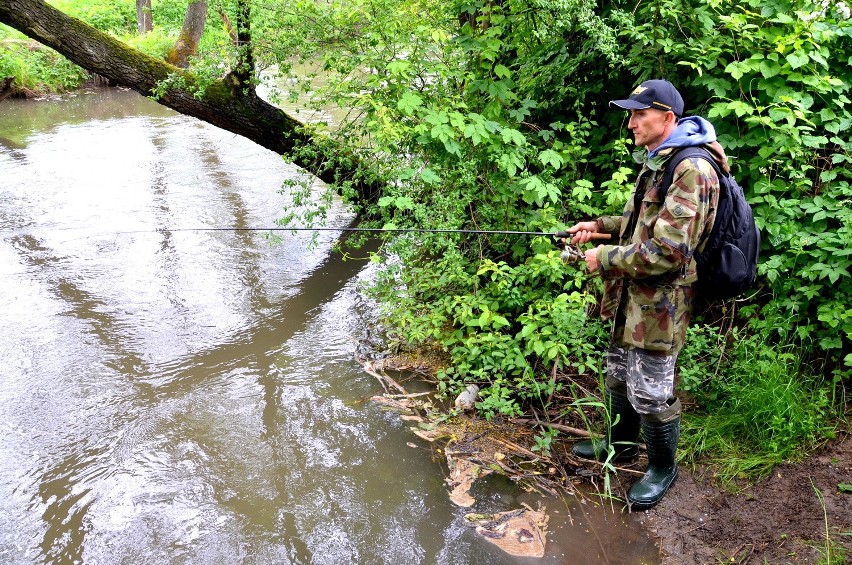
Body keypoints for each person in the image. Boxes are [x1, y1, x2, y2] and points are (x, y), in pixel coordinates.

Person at [566, 79, 730, 510]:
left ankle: (661, 468)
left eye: (640, 114)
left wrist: (604, 258)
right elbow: (640, 223)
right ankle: (620, 447)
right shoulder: (660, 160)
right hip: (631, 300)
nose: (631, 123)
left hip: (661, 306)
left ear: (668, 118)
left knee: (653, 393)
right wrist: (597, 226)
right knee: (619, 374)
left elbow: (668, 253)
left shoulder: (692, 169)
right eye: (630, 114)